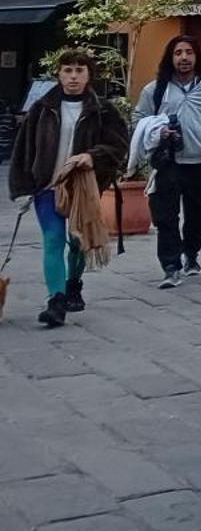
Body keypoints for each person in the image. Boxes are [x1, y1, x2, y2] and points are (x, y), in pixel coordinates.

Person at [7, 49, 127, 328]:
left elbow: (119, 145)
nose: (73, 76)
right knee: (52, 239)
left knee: (76, 243)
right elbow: (24, 147)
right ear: (58, 74)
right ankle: (56, 301)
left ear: (89, 75)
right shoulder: (42, 108)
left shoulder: (103, 110)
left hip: (82, 188)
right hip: (47, 187)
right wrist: (24, 184)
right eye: (68, 71)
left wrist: (92, 156)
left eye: (79, 70)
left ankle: (74, 283)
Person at [133, 35, 201, 289]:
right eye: (178, 52)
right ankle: (170, 266)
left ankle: (191, 253)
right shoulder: (154, 89)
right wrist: (158, 133)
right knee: (165, 217)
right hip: (167, 162)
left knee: (198, 214)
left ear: (197, 56)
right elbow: (137, 120)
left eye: (189, 52)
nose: (183, 58)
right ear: (170, 57)